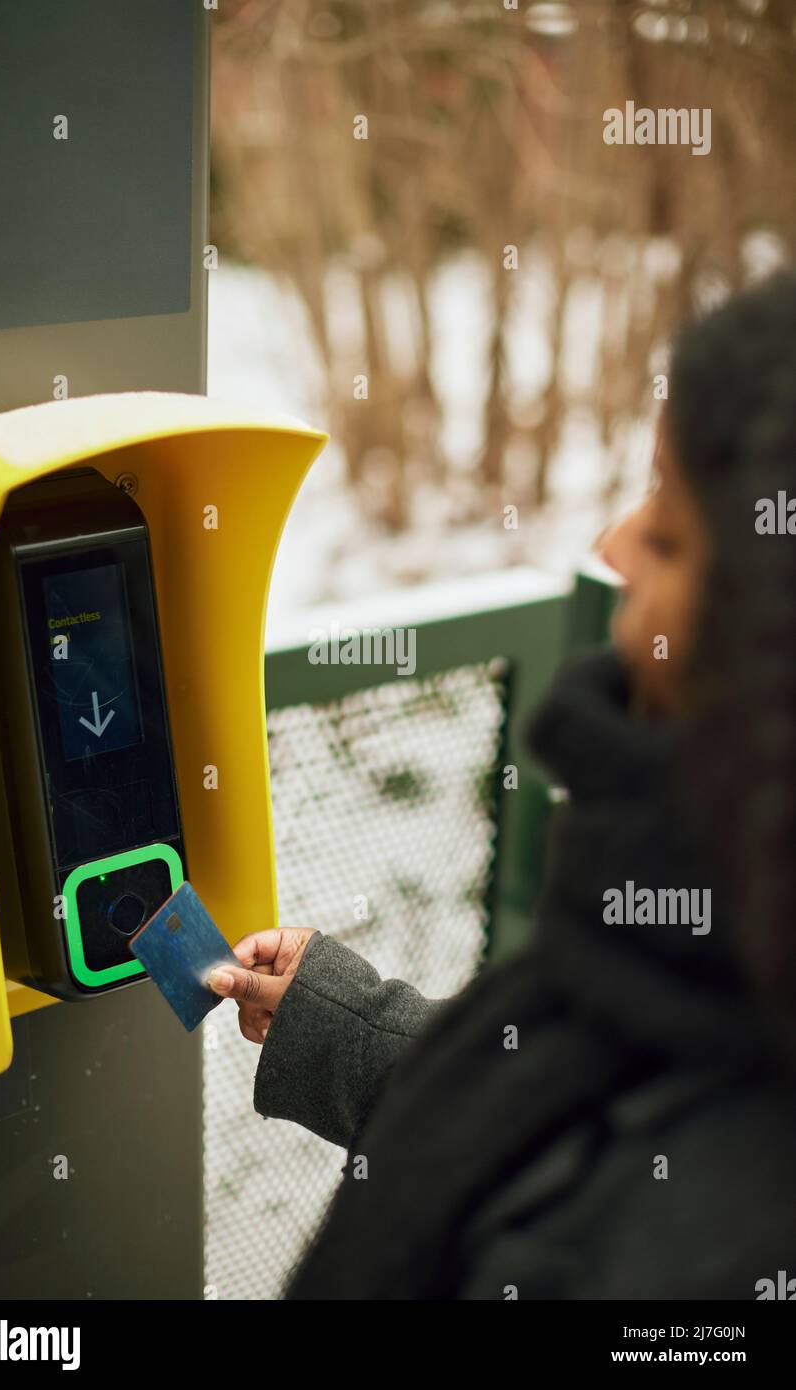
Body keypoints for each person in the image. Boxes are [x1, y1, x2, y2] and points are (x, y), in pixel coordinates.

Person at [207, 270, 796, 1299]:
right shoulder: (691, 942)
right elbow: (555, 1115)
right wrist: (346, 1020)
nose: (611, 545)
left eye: (664, 531)